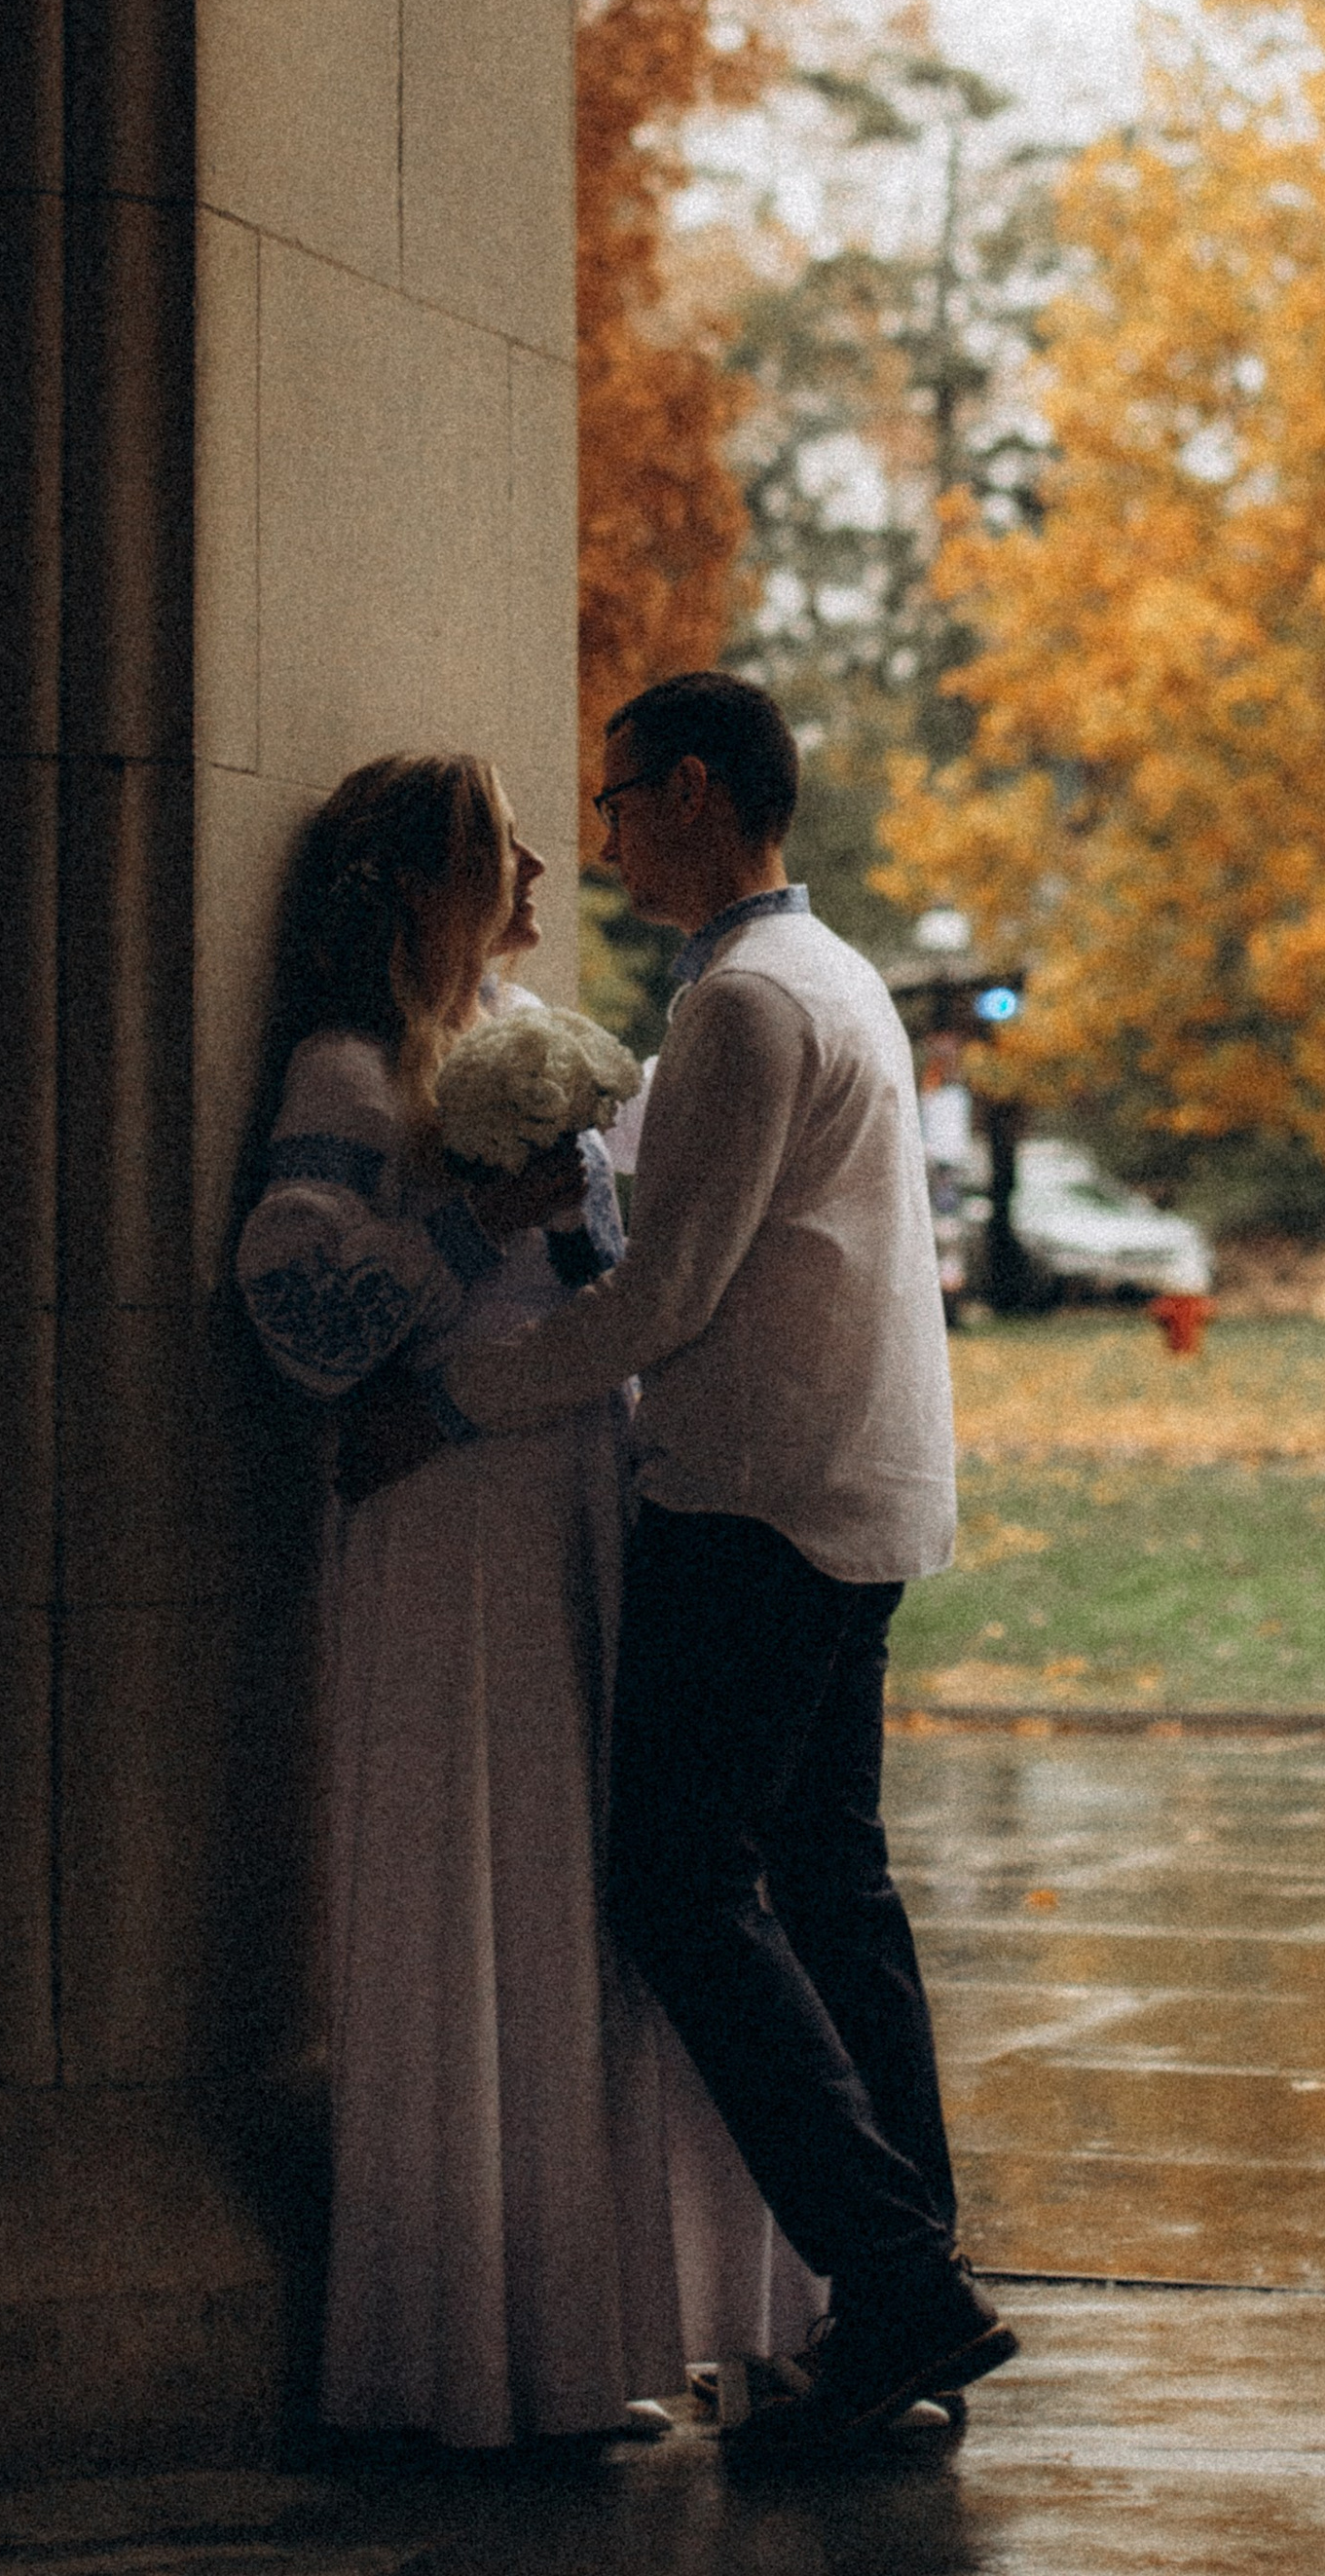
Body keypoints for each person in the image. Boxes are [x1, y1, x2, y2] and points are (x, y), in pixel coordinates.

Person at [342, 675, 1013, 2457]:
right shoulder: (834, 974)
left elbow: (666, 1295)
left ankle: (898, 2277)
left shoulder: (737, 1004)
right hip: (859, 1492)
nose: (611, 828)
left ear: (700, 789)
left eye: (626, 794)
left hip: (752, 1500)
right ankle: (908, 2292)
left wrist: (453, 1398)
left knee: (679, 1894)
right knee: (831, 1891)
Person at [234, 750, 816, 2448]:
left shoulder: (511, 1036)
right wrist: (477, 1223)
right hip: (447, 1516)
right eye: (501, 847)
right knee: (468, 1876)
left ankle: (578, 2335)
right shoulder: (350, 1065)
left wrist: (568, 1237)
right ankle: (458, 2354)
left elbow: (599, 1274)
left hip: (566, 1487)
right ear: (422, 883)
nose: (544, 865)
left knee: (569, 1883)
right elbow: (301, 1311)